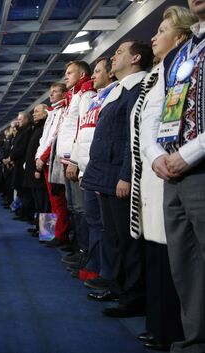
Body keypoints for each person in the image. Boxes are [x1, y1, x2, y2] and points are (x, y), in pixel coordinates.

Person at [130, 6, 196, 350]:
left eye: (162, 31)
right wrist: (156, 156)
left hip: (180, 167)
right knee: (169, 259)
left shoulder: (179, 67)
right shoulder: (160, 72)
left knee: (181, 260)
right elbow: (149, 122)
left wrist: (174, 156)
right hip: (159, 169)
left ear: (181, 37)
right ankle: (166, 328)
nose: (153, 38)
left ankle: (170, 329)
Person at [82, 39, 154, 318]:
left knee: (128, 242)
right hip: (104, 176)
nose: (113, 57)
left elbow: (130, 139)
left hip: (118, 178)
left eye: (119, 52)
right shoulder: (117, 91)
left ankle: (133, 297)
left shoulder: (137, 89)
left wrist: (125, 176)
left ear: (136, 58)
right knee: (113, 238)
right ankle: (118, 286)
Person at [155, 1, 205, 351]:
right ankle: (194, 341)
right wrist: (159, 154)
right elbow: (163, 110)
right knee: (185, 267)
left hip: (198, 168)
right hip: (173, 174)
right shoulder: (179, 54)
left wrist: (188, 154)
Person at [68, 57, 117, 289]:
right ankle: (94, 266)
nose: (94, 76)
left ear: (111, 74)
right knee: (92, 220)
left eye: (98, 71)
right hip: (88, 170)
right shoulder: (93, 99)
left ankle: (105, 271)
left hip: (102, 171)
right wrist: (80, 169)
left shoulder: (111, 96)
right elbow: (82, 134)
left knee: (103, 225)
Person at [59, 60, 96, 271]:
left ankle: (85, 253)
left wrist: (74, 160)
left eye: (70, 72)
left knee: (82, 210)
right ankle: (79, 249)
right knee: (74, 208)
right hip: (67, 160)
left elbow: (83, 130)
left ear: (82, 75)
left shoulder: (86, 94)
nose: (66, 76)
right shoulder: (74, 96)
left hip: (75, 160)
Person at [35, 83, 70, 246]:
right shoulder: (51, 115)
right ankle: (49, 232)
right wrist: (38, 157)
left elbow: (54, 139)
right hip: (42, 163)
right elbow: (43, 141)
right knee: (49, 201)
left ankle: (58, 234)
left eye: (55, 92)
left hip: (51, 162)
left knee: (57, 201)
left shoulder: (61, 112)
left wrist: (41, 157)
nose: (51, 95)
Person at [24, 104, 50, 234]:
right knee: (39, 203)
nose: (33, 114)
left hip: (39, 171)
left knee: (45, 203)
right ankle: (40, 228)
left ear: (45, 113)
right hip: (33, 171)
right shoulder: (37, 128)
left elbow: (43, 149)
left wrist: (38, 169)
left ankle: (47, 233)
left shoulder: (46, 127)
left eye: (36, 111)